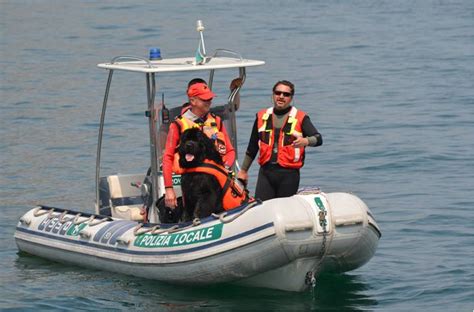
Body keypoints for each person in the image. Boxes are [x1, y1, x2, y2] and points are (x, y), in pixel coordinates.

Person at [237, 80, 323, 201]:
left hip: (289, 175)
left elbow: (318, 139)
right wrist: (244, 171)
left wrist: (306, 141)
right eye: (278, 93)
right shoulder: (262, 116)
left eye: (286, 94)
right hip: (266, 173)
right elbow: (252, 147)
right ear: (273, 95)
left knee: (284, 209)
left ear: (291, 98)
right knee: (262, 207)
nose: (281, 96)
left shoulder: (301, 117)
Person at [162, 81, 236, 208]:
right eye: (205, 99)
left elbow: (230, 151)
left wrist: (225, 167)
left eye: (210, 98)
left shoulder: (216, 121)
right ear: (193, 101)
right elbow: (168, 157)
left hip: (219, 181)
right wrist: (169, 188)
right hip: (192, 184)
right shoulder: (178, 125)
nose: (209, 102)